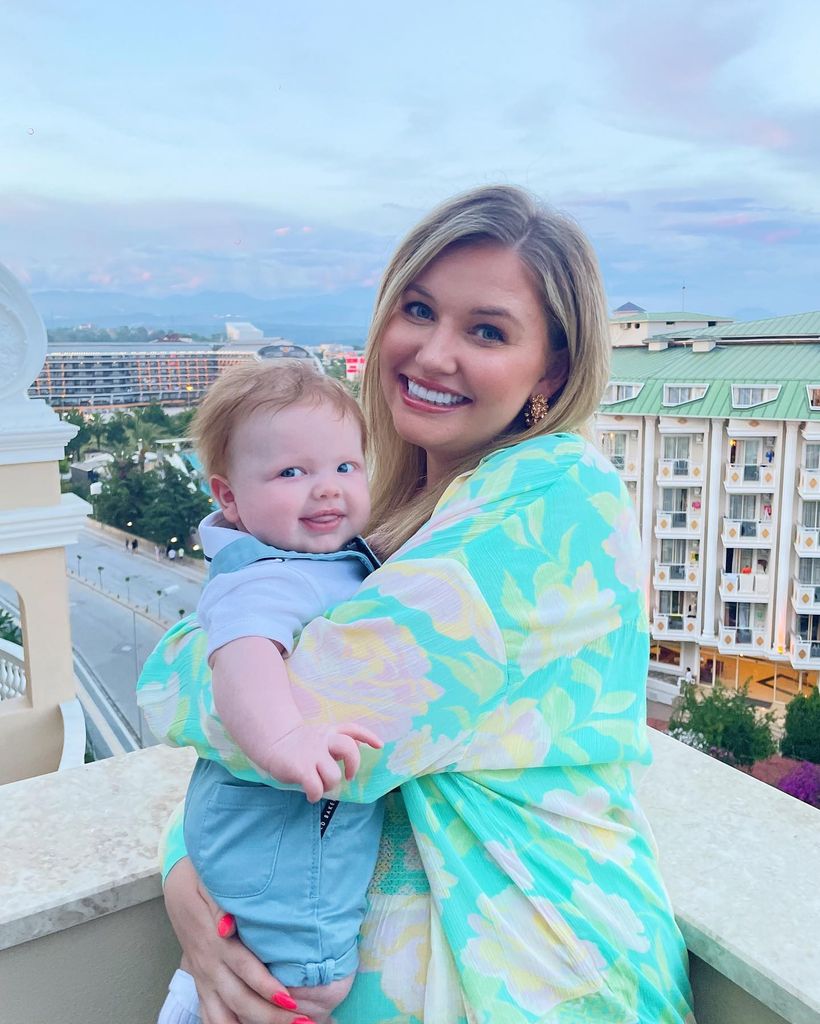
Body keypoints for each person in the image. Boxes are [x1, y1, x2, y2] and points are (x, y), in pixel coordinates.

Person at [138, 185, 695, 1024]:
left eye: (486, 330)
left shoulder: (555, 503)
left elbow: (310, 721)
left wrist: (210, 646)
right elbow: (257, 756)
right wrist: (190, 872)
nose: (434, 354)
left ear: (551, 369)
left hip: (534, 973)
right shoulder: (389, 507)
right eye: (419, 309)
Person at [169, 361, 383, 1024]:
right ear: (229, 498)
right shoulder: (265, 576)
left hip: (262, 828)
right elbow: (242, 658)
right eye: (292, 473)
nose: (327, 490)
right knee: (306, 985)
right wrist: (286, 738)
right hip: (274, 825)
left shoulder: (314, 559)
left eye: (346, 467)